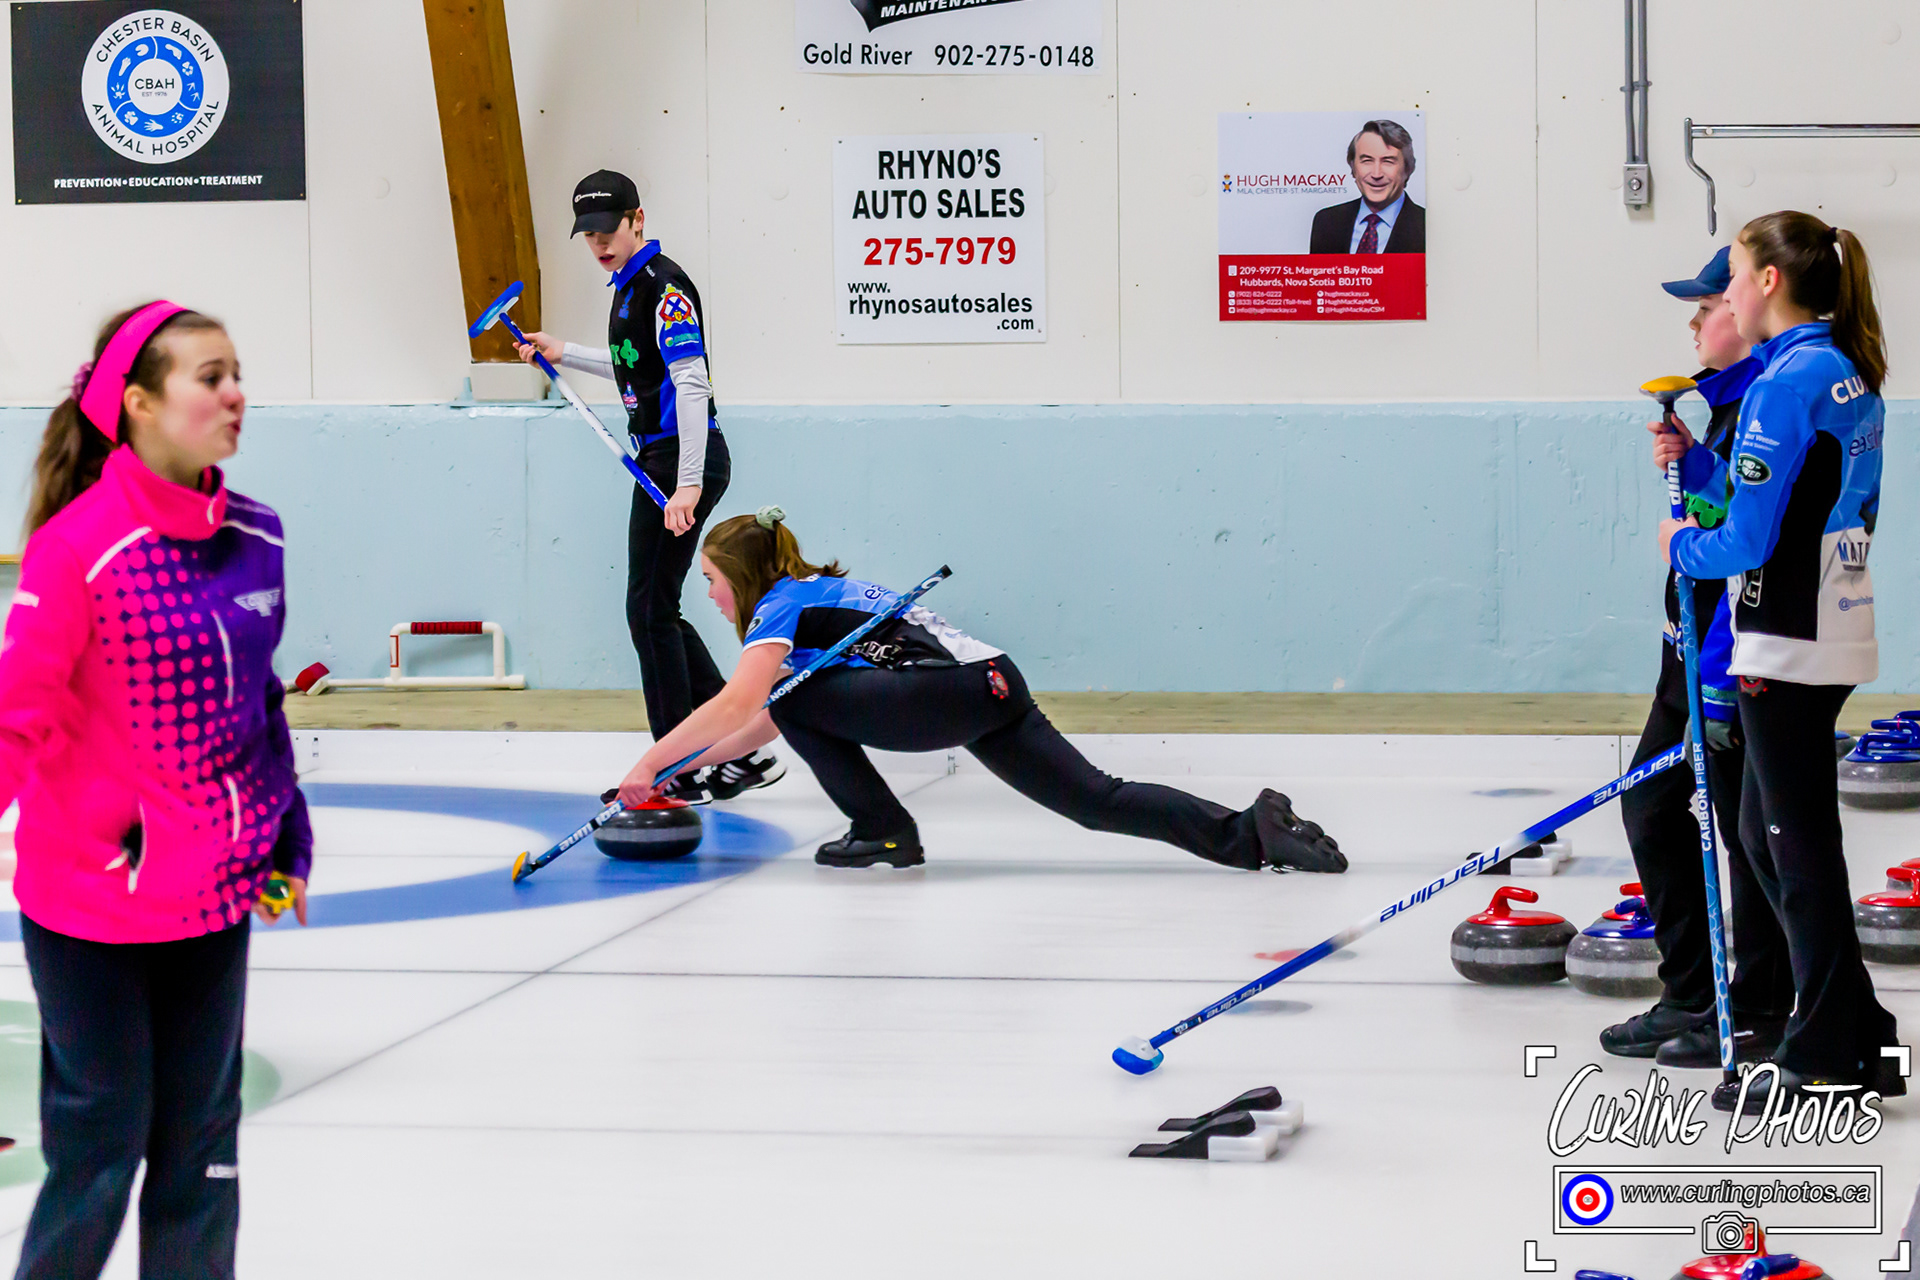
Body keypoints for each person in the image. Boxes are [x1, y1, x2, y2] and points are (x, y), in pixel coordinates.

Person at [0, 301, 313, 1278]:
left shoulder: (259, 534)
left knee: (202, 1156)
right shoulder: (77, 548)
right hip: (93, 906)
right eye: (209, 376)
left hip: (216, 898)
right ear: (138, 401)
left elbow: (259, 706)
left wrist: (286, 843)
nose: (235, 394)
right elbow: (17, 715)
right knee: (100, 1147)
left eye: (237, 373)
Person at [611, 508, 1348, 873]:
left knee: (790, 694)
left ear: (738, 577)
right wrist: (681, 772)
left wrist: (648, 764)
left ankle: (883, 832)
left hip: (947, 694)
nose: (707, 596)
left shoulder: (780, 607)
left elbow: (748, 705)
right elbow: (767, 727)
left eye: (708, 581)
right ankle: (1251, 832)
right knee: (1096, 801)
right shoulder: (820, 591)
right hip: (991, 681)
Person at [1657, 212, 1898, 1111]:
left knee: (1793, 844)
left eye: (1734, 279)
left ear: (1766, 284)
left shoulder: (1789, 380)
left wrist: (1682, 541)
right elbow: (1792, 500)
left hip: (1787, 635)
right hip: (1821, 623)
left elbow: (1749, 539)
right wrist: (1705, 470)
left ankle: (1829, 1053)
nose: (1724, 297)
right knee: (1766, 831)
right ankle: (1855, 1021)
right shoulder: (1840, 367)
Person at [514, 169, 781, 804]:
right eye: (589, 234)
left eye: (609, 229)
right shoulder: (629, 288)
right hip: (664, 459)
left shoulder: (665, 289)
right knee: (655, 607)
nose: (599, 242)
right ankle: (737, 746)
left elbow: (690, 383)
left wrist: (687, 485)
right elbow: (638, 367)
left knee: (649, 611)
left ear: (638, 219)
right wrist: (565, 352)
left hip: (679, 461)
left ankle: (677, 767)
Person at [1600, 247, 1793, 1068]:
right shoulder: (1729, 405)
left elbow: (1750, 541)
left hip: (1731, 659)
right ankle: (1692, 993)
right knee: (1653, 808)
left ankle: (1756, 1005)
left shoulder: (1770, 398)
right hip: (1689, 655)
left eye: (1710, 301)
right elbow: (1727, 506)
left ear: (1749, 312)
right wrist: (1696, 460)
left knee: (1751, 838)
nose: (1695, 319)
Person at [1307, 120, 1426, 255]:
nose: (1376, 174)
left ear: (1408, 168)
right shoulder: (1327, 222)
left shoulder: (1427, 226)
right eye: (1367, 161)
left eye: (1388, 161)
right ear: (1353, 168)